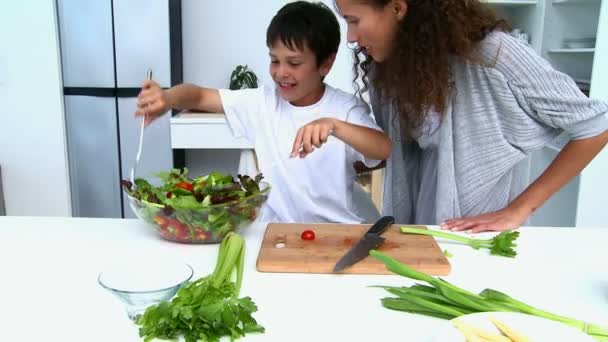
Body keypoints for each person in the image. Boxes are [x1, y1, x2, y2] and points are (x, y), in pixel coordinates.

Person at [334, 0, 608, 232]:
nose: (351, 37)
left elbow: (596, 125)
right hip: (421, 231)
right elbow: (399, 154)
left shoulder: (494, 54)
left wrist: (519, 209)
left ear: (397, 8)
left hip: (479, 233)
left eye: (354, 20)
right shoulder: (388, 71)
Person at [135, 1, 391, 224]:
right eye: (274, 60)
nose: (281, 72)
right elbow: (198, 95)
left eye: (294, 63)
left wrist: (334, 126)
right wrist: (167, 98)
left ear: (325, 64)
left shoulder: (344, 108)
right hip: (273, 235)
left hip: (335, 234)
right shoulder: (260, 103)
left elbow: (382, 149)